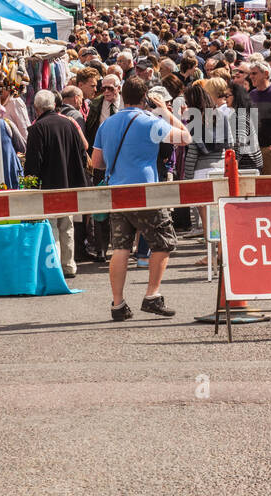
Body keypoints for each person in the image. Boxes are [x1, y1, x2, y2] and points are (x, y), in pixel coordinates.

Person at [90, 77, 191, 320]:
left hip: (117, 189)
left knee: (121, 247)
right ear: (145, 96)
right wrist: (166, 111)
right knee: (165, 242)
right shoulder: (150, 122)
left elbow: (97, 163)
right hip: (144, 190)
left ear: (122, 95)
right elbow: (185, 137)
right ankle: (152, 295)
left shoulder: (108, 124)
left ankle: (117, 303)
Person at [24, 90, 90, 279]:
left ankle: (55, 266)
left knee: (51, 225)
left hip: (49, 184)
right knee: (67, 224)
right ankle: (68, 265)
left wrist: (31, 185)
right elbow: (81, 153)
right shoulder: (69, 124)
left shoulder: (37, 128)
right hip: (69, 182)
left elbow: (33, 162)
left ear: (37, 108)